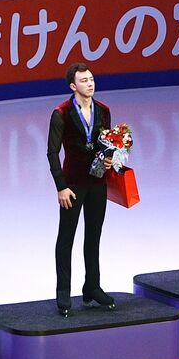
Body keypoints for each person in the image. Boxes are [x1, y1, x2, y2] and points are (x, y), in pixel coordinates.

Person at [47, 65, 116, 315]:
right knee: (66, 238)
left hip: (97, 181)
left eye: (91, 79)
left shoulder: (104, 110)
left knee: (93, 236)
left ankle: (92, 286)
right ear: (73, 86)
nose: (90, 83)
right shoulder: (61, 113)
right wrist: (61, 186)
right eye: (84, 80)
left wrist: (110, 158)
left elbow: (106, 143)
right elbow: (52, 152)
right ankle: (63, 291)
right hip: (72, 184)